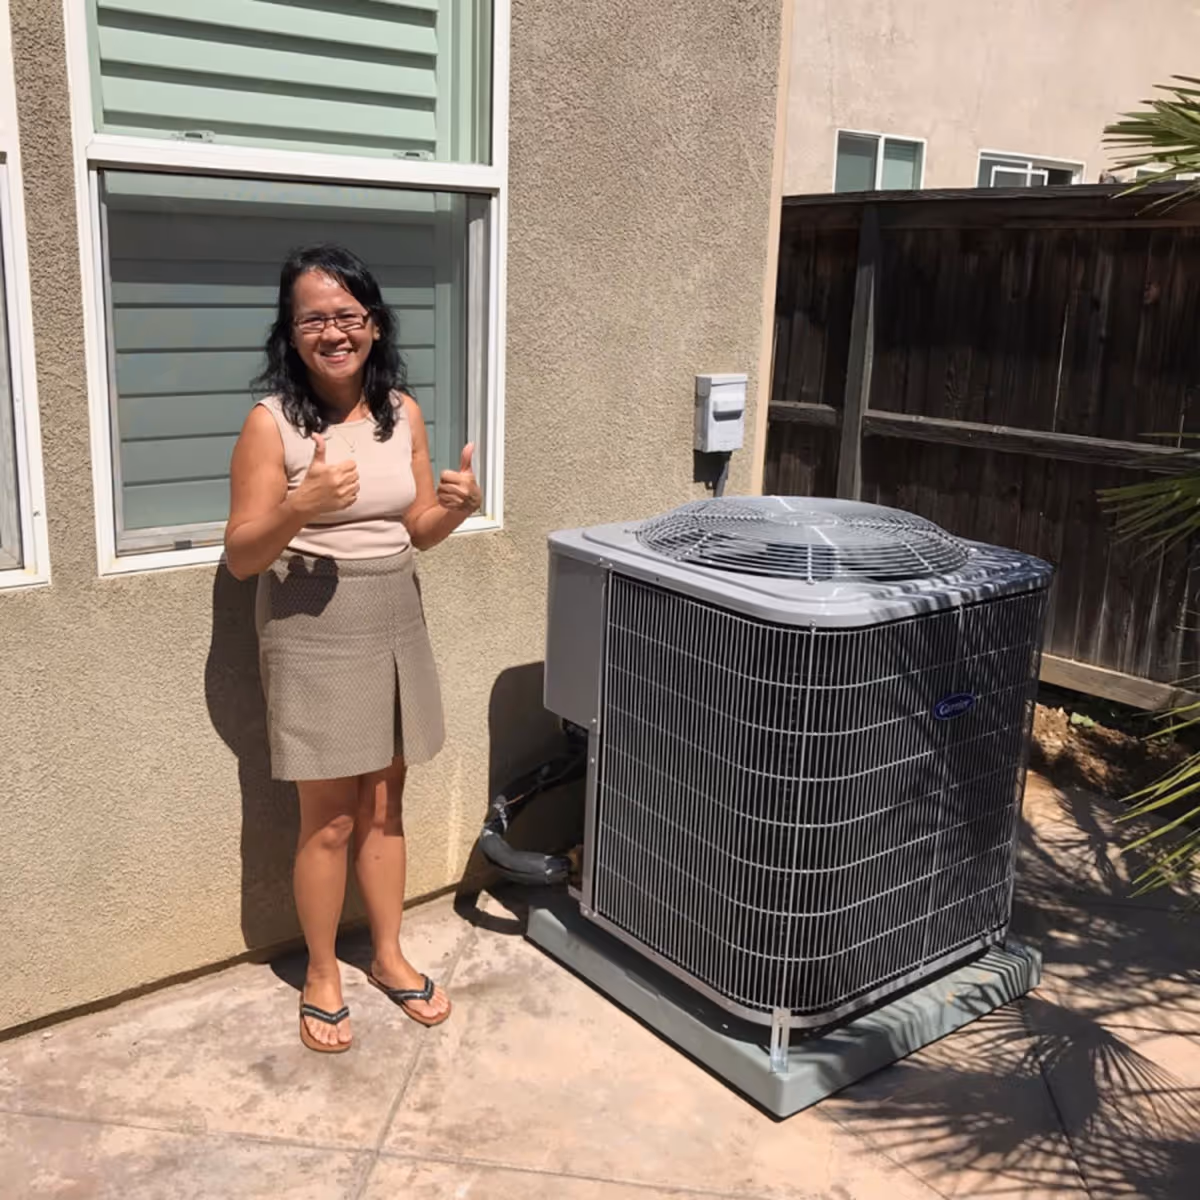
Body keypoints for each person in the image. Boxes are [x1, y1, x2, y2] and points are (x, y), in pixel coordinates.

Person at [224, 244, 480, 1053]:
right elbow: (242, 556)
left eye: (347, 315)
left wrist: (456, 509)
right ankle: (323, 971)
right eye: (314, 319)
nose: (333, 332)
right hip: (311, 622)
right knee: (329, 819)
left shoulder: (402, 412)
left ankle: (390, 954)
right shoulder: (271, 424)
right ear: (290, 331)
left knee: (384, 804)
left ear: (373, 324)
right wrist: (300, 506)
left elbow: (417, 530)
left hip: (395, 613)